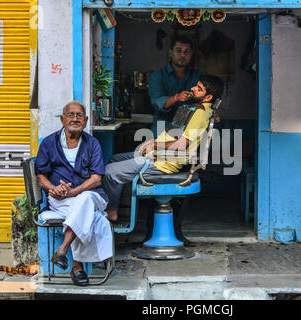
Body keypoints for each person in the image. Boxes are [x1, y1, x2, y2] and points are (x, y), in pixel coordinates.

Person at [102, 75, 224, 243]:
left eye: (199, 89)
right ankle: (119, 209)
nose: (194, 89)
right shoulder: (201, 109)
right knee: (114, 159)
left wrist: (154, 146)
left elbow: (181, 145)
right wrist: (153, 142)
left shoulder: (200, 114)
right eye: (196, 86)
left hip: (163, 163)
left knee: (109, 171)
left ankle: (112, 212)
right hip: (160, 156)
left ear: (208, 97)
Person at [34, 101, 113, 286]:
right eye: (70, 115)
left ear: (86, 121)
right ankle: (77, 268)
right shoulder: (48, 143)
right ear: (62, 119)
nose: (75, 119)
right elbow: (41, 177)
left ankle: (63, 251)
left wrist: (73, 192)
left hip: (92, 195)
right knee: (86, 213)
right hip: (60, 199)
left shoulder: (92, 143)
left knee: (83, 201)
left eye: (79, 116)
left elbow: (96, 179)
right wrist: (53, 189)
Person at [148, 35, 203, 138]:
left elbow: (206, 99)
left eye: (187, 51)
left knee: (191, 154)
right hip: (163, 129)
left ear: (191, 54)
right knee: (160, 154)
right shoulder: (157, 76)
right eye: (178, 50)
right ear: (170, 52)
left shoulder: (199, 75)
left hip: (190, 130)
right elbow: (157, 102)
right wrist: (177, 97)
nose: (182, 54)